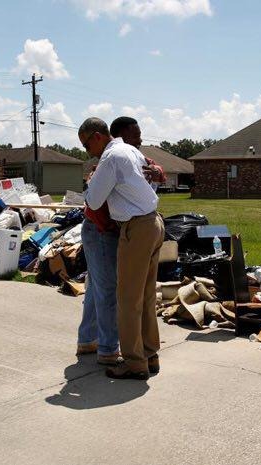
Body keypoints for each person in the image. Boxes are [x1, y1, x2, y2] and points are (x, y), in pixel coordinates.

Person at [79, 117, 165, 380]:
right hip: (154, 223)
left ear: (96, 137)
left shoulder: (110, 157)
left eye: (86, 145)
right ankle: (150, 356)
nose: (87, 152)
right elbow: (151, 177)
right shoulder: (130, 150)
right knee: (146, 296)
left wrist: (91, 182)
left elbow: (93, 200)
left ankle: (133, 362)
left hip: (135, 229)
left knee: (127, 299)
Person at [76, 170, 121, 366]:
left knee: (96, 287)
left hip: (96, 229)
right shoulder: (106, 168)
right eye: (135, 138)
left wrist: (156, 173)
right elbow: (95, 203)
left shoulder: (125, 162)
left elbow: (157, 170)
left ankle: (87, 340)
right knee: (108, 291)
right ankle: (108, 349)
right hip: (100, 231)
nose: (138, 143)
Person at [109, 117, 167, 191]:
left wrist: (157, 172)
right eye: (136, 136)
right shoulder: (106, 163)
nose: (140, 140)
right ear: (120, 138)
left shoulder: (145, 161)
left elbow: (159, 170)